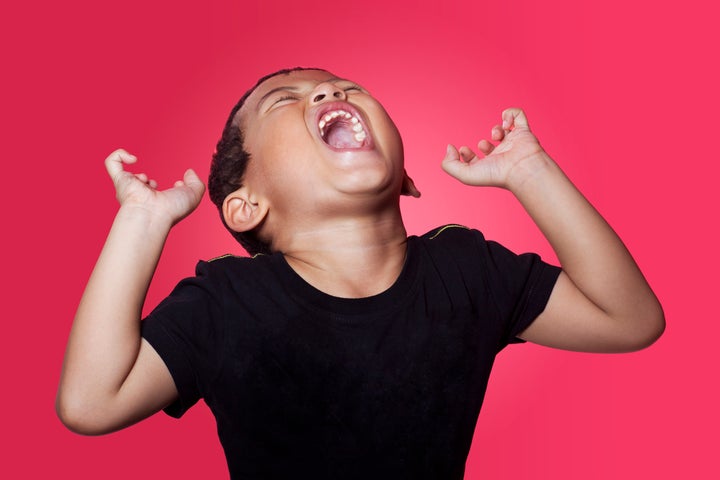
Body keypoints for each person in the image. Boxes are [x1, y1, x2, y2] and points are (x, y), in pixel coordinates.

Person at [56, 67, 664, 478]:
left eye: (345, 87)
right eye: (285, 102)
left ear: (403, 176)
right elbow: (89, 404)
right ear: (246, 205)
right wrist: (143, 219)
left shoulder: (467, 270)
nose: (328, 95)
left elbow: (630, 320)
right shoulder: (225, 301)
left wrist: (531, 171)